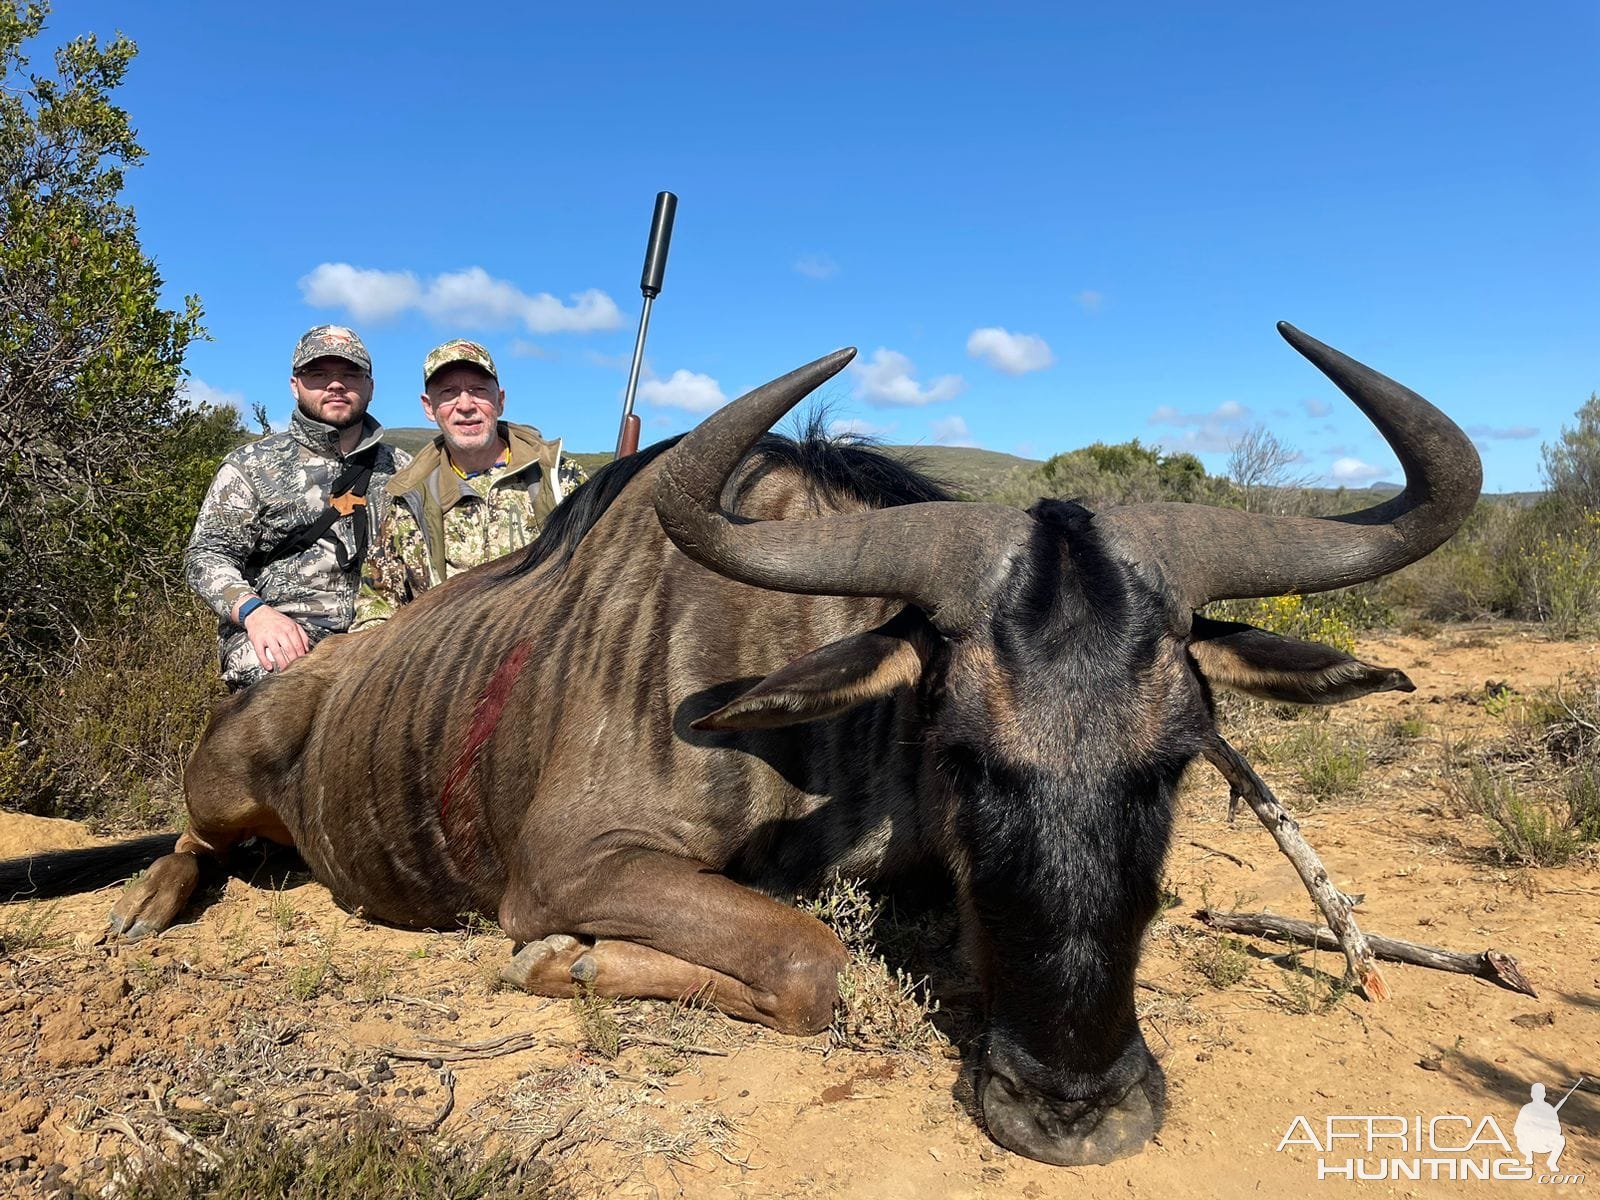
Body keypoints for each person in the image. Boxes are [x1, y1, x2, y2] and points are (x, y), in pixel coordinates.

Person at [186, 325, 409, 689]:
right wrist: (254, 613)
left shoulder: (405, 469)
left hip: (384, 638)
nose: (335, 385)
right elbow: (207, 556)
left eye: (350, 374)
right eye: (318, 374)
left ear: (370, 385)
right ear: (295, 385)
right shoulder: (251, 466)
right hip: (284, 632)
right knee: (274, 694)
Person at [352, 339, 587, 629]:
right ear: (429, 407)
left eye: (478, 391)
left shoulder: (561, 479)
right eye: (449, 393)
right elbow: (376, 605)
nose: (465, 406)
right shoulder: (409, 499)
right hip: (446, 663)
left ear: (500, 400)